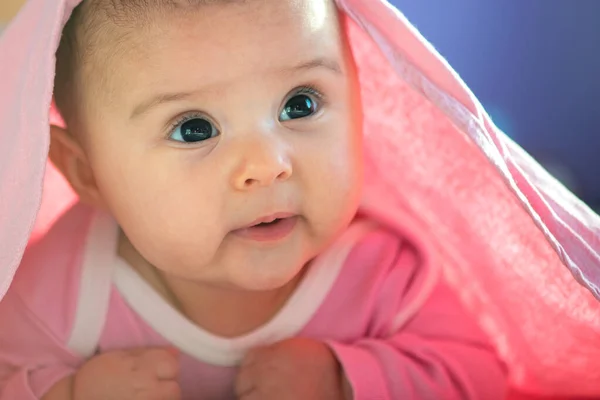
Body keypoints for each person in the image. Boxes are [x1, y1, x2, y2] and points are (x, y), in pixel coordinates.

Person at [0, 0, 598, 399]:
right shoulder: (64, 285)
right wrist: (66, 393)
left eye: (301, 105)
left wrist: (347, 380)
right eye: (194, 128)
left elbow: (480, 376)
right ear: (87, 172)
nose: (267, 165)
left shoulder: (381, 272)